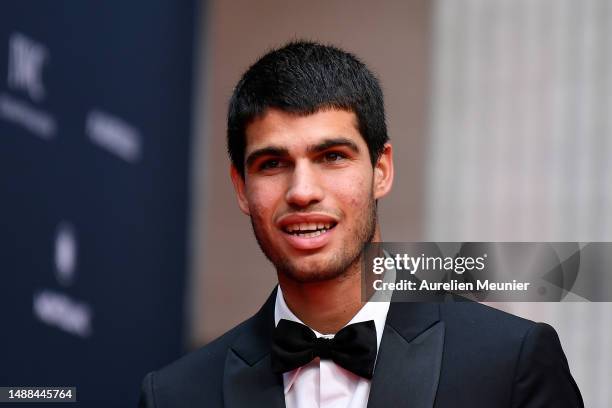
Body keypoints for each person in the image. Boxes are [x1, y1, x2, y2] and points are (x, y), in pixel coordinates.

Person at [139, 41, 583, 408]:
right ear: (241, 187)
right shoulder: (174, 396)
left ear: (381, 169)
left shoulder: (510, 364)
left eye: (332, 157)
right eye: (272, 163)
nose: (302, 191)